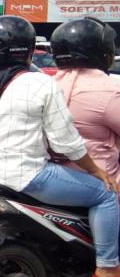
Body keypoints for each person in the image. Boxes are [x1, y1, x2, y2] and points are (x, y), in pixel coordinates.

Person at [0, 15, 120, 277]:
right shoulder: (40, 83)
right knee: (106, 193)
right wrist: (97, 172)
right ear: (28, 51)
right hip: (28, 176)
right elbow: (67, 144)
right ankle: (108, 266)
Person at [51, 17, 120, 182]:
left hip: (56, 175)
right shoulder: (107, 91)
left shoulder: (51, 83)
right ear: (103, 54)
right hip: (101, 178)